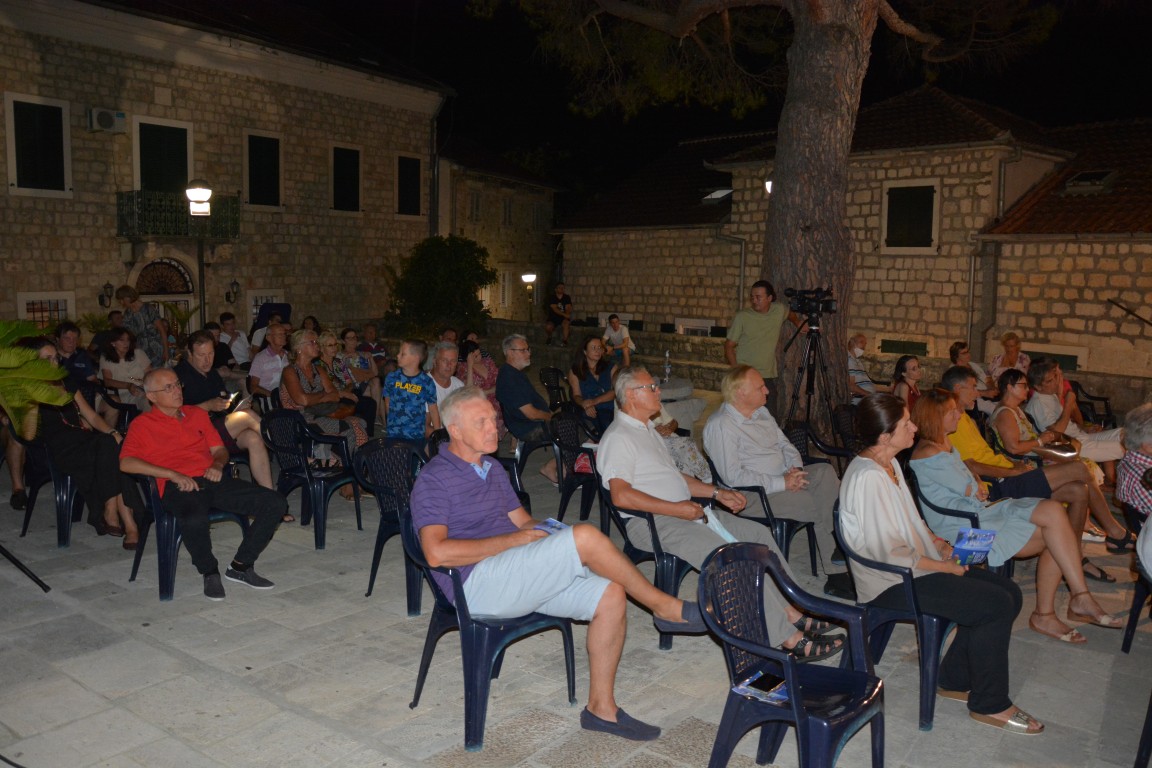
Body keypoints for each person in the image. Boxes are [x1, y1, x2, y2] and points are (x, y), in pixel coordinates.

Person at [412, 387, 708, 741]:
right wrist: (525, 542)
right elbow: (436, 553)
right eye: (482, 422)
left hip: (515, 573)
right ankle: (663, 606)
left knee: (610, 595)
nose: (495, 428)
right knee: (585, 536)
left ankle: (601, 710)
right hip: (474, 586)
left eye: (493, 419)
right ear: (455, 430)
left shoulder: (491, 468)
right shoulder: (434, 478)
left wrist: (553, 534)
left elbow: (523, 522)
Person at [598, 365, 845, 661]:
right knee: (728, 556)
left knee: (757, 535)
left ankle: (793, 611)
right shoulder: (619, 437)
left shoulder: (647, 429)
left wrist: (716, 492)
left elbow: (675, 478)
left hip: (685, 511)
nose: (658, 390)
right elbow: (621, 495)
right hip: (654, 523)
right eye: (651, 387)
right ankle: (789, 639)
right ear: (630, 395)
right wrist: (677, 509)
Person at [838, 393, 1043, 735]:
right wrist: (944, 567)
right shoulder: (868, 477)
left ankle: (953, 679)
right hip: (891, 581)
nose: (915, 428)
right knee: (993, 604)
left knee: (1009, 593)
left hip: (914, 567)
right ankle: (990, 704)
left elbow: (910, 521)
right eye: (907, 424)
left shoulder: (888, 464)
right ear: (885, 436)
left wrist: (938, 544)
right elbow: (886, 552)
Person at [910, 389, 1119, 643]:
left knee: (1054, 512)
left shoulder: (942, 443)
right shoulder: (929, 454)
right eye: (952, 412)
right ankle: (1050, 612)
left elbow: (968, 476)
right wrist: (976, 484)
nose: (959, 415)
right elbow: (968, 488)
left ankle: (1078, 597)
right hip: (966, 534)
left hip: (982, 512)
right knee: (1056, 536)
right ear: (935, 417)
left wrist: (976, 481)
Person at [939, 366, 1121, 580]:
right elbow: (971, 465)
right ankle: (1114, 533)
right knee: (1079, 468)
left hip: (1007, 473)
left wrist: (1013, 465)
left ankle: (1075, 558)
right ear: (957, 389)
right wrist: (1011, 471)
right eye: (973, 387)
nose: (978, 393)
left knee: (1079, 490)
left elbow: (985, 457)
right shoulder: (952, 425)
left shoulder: (963, 419)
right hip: (999, 484)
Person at [120, 368, 286, 601]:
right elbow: (126, 462)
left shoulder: (196, 414)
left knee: (275, 502)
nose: (177, 390)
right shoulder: (142, 424)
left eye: (177, 384)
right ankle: (209, 570)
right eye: (168, 388)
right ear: (152, 396)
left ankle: (240, 566)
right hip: (177, 485)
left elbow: (219, 450)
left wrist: (217, 465)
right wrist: (172, 474)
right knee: (193, 519)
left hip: (211, 478)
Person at [703, 365, 844, 583]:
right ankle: (838, 575)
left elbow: (785, 445)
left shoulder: (762, 413)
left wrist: (795, 469)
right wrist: (782, 483)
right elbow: (732, 477)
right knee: (814, 501)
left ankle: (839, 542)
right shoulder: (721, 425)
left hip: (784, 477)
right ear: (741, 393)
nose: (767, 391)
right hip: (751, 495)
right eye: (760, 387)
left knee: (825, 472)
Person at [16, 337, 142, 547]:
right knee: (110, 449)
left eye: (55, 358)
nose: (53, 363)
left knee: (112, 445)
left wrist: (113, 431)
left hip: (83, 439)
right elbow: (27, 430)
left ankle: (116, 515)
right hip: (58, 449)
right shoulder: (25, 389)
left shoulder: (65, 381)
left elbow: (91, 416)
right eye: (46, 359)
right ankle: (126, 520)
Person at [174, 331, 279, 513]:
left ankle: (270, 503)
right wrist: (207, 406)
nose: (207, 360)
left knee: (253, 438)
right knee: (247, 415)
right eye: (201, 355)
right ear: (189, 354)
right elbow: (175, 414)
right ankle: (288, 451)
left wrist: (234, 407)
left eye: (211, 354)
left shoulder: (212, 375)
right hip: (195, 434)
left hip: (217, 429)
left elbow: (222, 406)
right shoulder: (178, 376)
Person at [1025, 357, 1124, 486]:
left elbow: (1065, 422)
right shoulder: (1038, 403)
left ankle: (1112, 481)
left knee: (1124, 434)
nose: (1056, 382)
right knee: (1123, 447)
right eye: (1050, 380)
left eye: (1056, 377)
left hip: (1081, 437)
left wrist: (1084, 428)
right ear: (1038, 386)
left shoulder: (1050, 395)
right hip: (1072, 447)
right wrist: (1068, 404)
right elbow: (1056, 433)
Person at [280, 329, 368, 462]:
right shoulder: (290, 371)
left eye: (317, 342)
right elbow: (302, 400)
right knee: (348, 430)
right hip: (302, 418)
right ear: (299, 348)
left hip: (323, 413)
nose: (317, 345)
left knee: (360, 424)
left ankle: (351, 465)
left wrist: (315, 397)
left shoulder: (318, 370)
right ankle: (339, 466)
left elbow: (335, 395)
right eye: (312, 342)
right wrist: (323, 395)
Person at [723, 280, 802, 419]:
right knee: (742, 417)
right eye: (752, 297)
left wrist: (798, 323)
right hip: (745, 376)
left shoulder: (778, 310)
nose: (754, 300)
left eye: (758, 297)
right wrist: (736, 372)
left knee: (770, 418)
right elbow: (728, 346)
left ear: (769, 298)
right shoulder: (743, 316)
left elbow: (790, 314)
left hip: (766, 376)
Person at [495, 334, 558, 484]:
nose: (528, 353)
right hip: (528, 426)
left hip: (531, 422)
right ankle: (552, 467)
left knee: (577, 418)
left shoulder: (515, 373)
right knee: (579, 428)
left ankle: (561, 466)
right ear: (510, 353)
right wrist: (552, 417)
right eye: (523, 350)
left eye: (528, 349)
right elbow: (530, 413)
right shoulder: (510, 378)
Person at [317, 330, 377, 435]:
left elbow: (349, 382)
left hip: (346, 394)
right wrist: (344, 394)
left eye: (335, 345)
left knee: (370, 403)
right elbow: (324, 389)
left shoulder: (339, 362)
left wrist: (347, 392)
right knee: (357, 402)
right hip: (331, 398)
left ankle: (367, 435)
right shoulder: (318, 365)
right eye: (330, 345)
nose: (334, 348)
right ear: (322, 348)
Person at [384, 339, 439, 445]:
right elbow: (387, 403)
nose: (397, 355)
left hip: (416, 435)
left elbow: (433, 409)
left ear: (415, 358)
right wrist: (391, 424)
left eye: (403, 354)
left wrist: (438, 435)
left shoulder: (426, 382)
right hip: (394, 434)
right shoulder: (392, 377)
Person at [568, 335, 617, 434]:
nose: (598, 351)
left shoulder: (611, 367)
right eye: (593, 347)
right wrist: (584, 403)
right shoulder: (576, 371)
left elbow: (615, 392)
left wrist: (594, 401)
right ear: (585, 351)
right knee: (586, 418)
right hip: (589, 409)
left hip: (609, 408)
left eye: (599, 347)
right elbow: (576, 395)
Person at [99, 328, 151, 419]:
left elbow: (150, 374)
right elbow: (108, 381)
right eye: (122, 340)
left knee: (155, 398)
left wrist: (145, 385)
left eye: (128, 340)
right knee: (148, 401)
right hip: (122, 393)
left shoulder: (138, 353)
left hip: (142, 389)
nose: (126, 343)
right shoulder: (106, 358)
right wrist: (128, 385)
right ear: (113, 343)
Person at [456, 339, 503, 439]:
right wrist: (470, 365)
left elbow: (500, 381)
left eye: (479, 354)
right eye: (475, 356)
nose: (479, 357)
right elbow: (469, 390)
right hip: (479, 402)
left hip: (497, 396)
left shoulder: (488, 362)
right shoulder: (463, 368)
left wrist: (486, 391)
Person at [339, 327, 384, 425]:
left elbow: (375, 373)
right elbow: (342, 375)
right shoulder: (340, 356)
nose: (353, 340)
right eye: (349, 338)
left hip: (365, 384)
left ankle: (379, 420)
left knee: (376, 382)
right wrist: (343, 361)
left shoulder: (362, 354)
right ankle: (380, 421)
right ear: (343, 341)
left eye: (354, 337)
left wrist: (370, 358)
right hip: (352, 386)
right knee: (378, 391)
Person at [115, 285, 167, 367]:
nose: (121, 303)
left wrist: (166, 351)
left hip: (155, 350)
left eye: (122, 299)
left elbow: (162, 330)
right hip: (139, 351)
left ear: (128, 297)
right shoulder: (128, 313)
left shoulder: (149, 309)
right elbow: (125, 333)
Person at [248, 323, 289, 398]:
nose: (283, 337)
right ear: (268, 337)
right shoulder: (260, 358)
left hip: (288, 396)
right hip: (269, 397)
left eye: (284, 334)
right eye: (279, 334)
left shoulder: (289, 356)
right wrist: (273, 396)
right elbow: (253, 386)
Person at [846, 333, 890, 405]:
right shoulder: (849, 360)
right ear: (852, 342)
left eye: (865, 344)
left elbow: (865, 382)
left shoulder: (858, 361)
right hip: (861, 401)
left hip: (866, 399)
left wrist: (887, 389)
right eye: (861, 342)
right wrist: (869, 395)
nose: (864, 346)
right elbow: (851, 386)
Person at [429, 341, 464, 405]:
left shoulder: (459, 386)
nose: (449, 365)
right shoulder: (422, 384)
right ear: (434, 361)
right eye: (444, 360)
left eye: (453, 361)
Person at [545, 282, 573, 347]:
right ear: (556, 289)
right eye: (560, 287)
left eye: (563, 288)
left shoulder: (566, 297)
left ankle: (565, 341)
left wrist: (567, 315)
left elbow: (568, 307)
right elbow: (555, 309)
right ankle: (549, 337)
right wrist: (564, 315)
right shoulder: (552, 297)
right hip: (553, 317)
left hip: (563, 318)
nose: (561, 289)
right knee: (548, 327)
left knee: (566, 324)